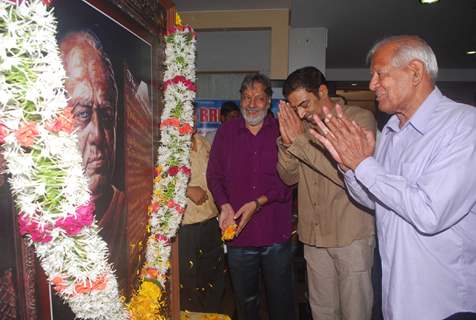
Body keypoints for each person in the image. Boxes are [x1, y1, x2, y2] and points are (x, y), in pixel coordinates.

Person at [310, 35, 476, 320]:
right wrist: (349, 167)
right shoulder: (391, 131)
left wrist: (362, 164)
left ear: (414, 72)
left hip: (444, 303)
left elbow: (429, 212)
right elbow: (378, 200)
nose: (372, 84)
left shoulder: (463, 124)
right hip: (396, 297)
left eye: (379, 74)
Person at [277, 66, 376, 320]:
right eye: (294, 107)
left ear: (322, 91)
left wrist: (298, 141)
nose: (300, 113)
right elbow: (288, 177)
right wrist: (287, 144)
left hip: (351, 235)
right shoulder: (302, 129)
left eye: (304, 104)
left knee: (356, 312)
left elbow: (347, 175)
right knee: (322, 312)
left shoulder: (359, 120)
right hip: (314, 238)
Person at [207, 73, 295, 320]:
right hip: (239, 236)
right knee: (246, 303)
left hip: (275, 234)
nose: (251, 104)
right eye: (246, 97)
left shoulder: (282, 131)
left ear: (269, 102)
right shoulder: (226, 132)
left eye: (258, 98)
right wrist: (224, 205)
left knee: (281, 301)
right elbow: (214, 175)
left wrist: (258, 203)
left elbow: (290, 180)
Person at [60, 31, 128, 293]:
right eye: (82, 114)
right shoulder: (37, 221)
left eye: (107, 115)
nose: (98, 136)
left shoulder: (127, 212)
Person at [178, 118, 225, 313]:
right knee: (189, 283)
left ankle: (212, 315)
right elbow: (156, 179)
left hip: (211, 222)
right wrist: (187, 190)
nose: (192, 121)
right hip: (186, 227)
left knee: (214, 279)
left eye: (193, 116)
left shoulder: (204, 142)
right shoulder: (170, 147)